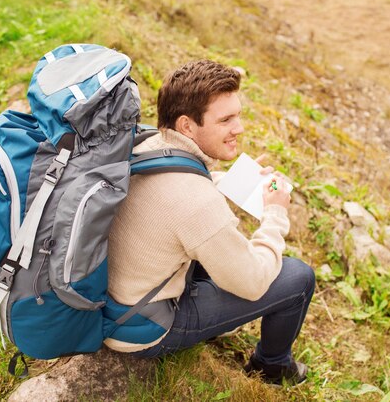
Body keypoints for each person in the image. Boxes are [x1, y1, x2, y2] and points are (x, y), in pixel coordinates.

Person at [106, 59, 315, 386]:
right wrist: (276, 213)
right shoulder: (196, 202)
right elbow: (254, 282)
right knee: (298, 277)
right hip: (143, 327)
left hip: (113, 300)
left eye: (238, 115)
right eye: (226, 119)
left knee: (216, 254)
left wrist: (233, 181)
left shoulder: (147, 142)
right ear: (187, 126)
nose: (239, 128)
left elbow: (171, 194)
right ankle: (273, 367)